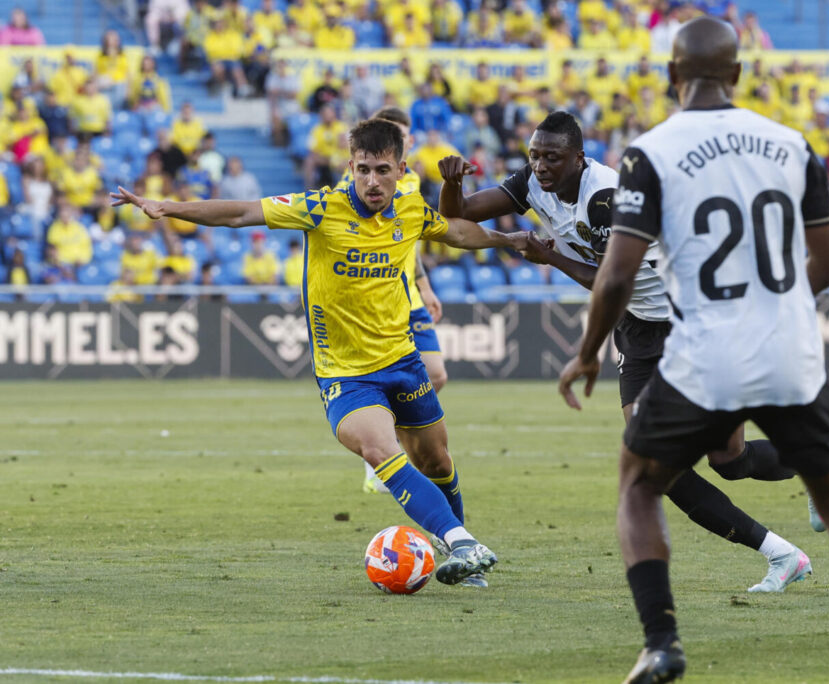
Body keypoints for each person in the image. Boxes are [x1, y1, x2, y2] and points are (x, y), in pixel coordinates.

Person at [557, 17, 829, 684]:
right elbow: (827, 265)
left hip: (704, 355)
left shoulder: (649, 152)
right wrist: (775, 311)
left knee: (638, 485)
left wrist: (590, 351)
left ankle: (661, 642)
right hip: (790, 353)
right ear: (740, 74)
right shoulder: (792, 144)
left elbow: (619, 273)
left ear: (671, 77)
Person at [111, 118, 527, 587]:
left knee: (438, 463)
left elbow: (458, 233)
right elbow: (241, 213)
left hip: (404, 363)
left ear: (401, 170)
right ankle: (462, 542)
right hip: (345, 375)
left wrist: (508, 240)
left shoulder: (410, 210)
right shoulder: (319, 207)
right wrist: (166, 207)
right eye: (364, 169)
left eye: (383, 170)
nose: (373, 180)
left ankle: (463, 552)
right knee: (379, 449)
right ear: (351, 166)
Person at [438, 111, 812, 593]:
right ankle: (781, 554)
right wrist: (450, 184)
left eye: (552, 157)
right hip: (639, 330)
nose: (541, 166)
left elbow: (612, 281)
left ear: (579, 158)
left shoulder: (608, 198)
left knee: (729, 459)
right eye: (534, 156)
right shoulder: (533, 182)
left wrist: (547, 255)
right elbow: (460, 213)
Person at [335, 107, 450, 495]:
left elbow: (409, 239)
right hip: (378, 297)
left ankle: (393, 449)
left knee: (436, 375)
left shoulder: (411, 182)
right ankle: (382, 456)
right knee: (392, 380)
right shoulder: (355, 183)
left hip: (411, 292)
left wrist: (425, 284)